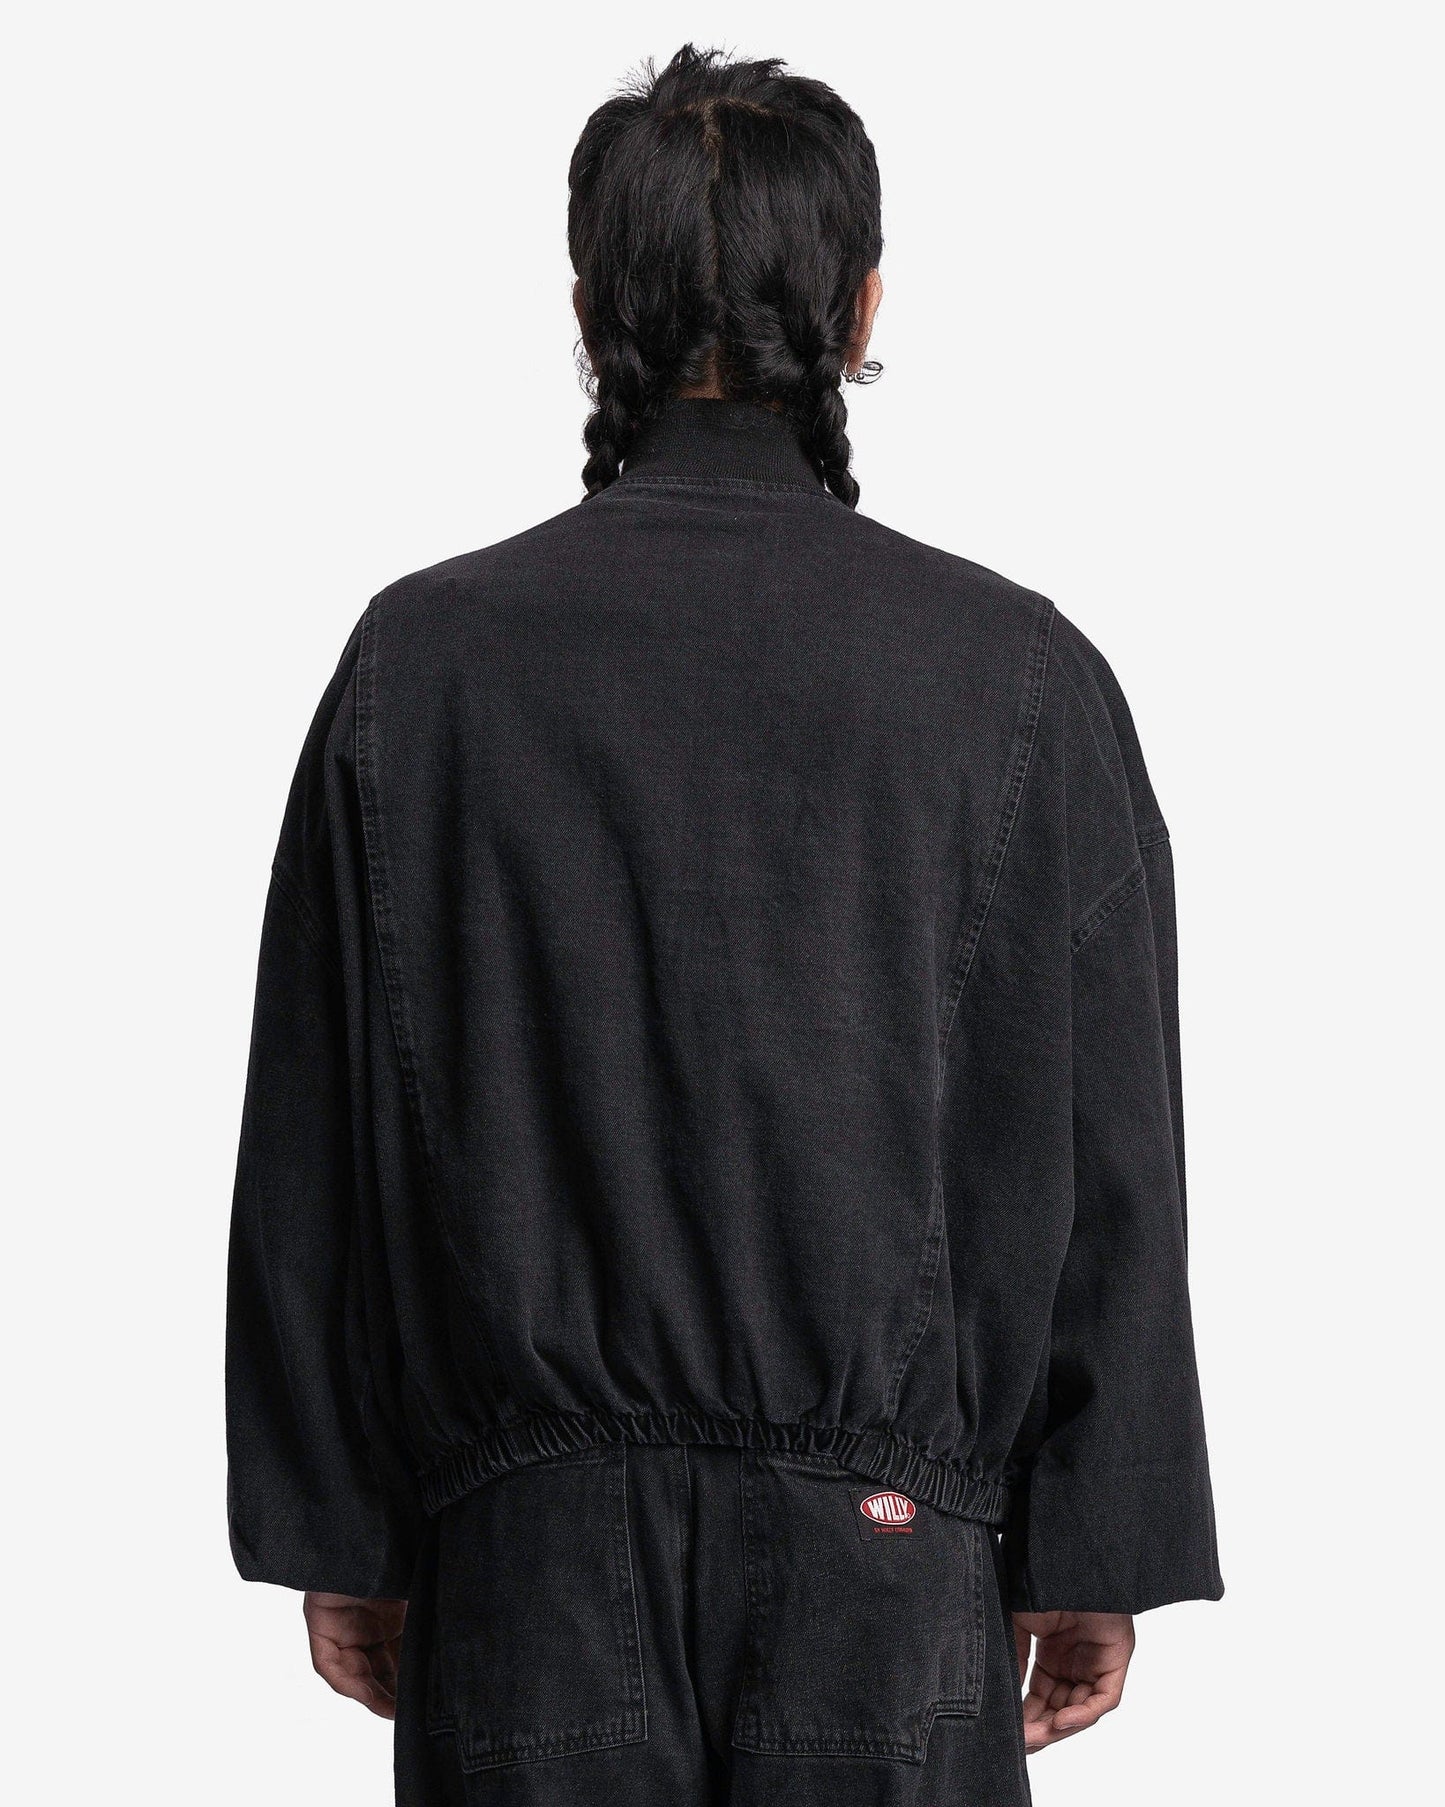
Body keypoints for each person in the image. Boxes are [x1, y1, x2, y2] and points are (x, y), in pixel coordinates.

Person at [226, 43, 1221, 1807]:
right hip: (889, 1568)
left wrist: (343, 1516)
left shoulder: (419, 664)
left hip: (526, 1567)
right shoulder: (1014, 674)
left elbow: (316, 1136)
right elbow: (1103, 1146)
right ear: (859, 308)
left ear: (587, 309)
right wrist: (1094, 1531)